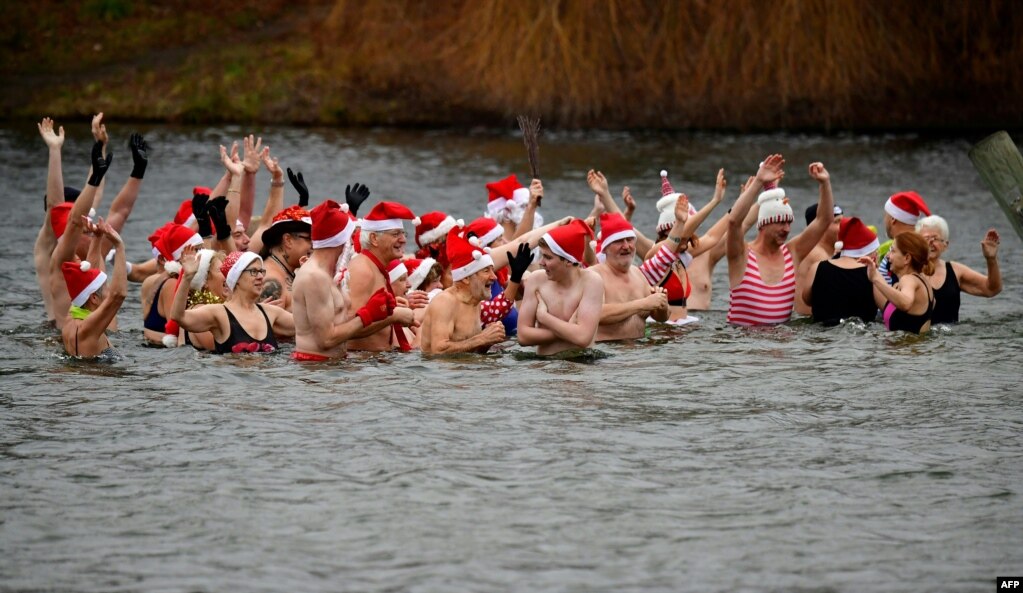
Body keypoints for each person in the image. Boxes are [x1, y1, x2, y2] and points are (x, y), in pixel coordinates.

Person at [291, 200, 414, 361]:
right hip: (316, 371)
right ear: (338, 240)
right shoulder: (314, 277)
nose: (353, 242)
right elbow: (325, 340)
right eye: (350, 237)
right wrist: (371, 315)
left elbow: (342, 322)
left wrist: (380, 312)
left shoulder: (330, 274)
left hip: (332, 368)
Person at [725, 157, 835, 326]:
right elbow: (733, 222)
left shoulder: (792, 253)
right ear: (763, 224)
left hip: (781, 347)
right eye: (781, 222)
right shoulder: (741, 254)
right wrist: (758, 182)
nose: (787, 229)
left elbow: (824, 220)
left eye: (789, 222)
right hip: (742, 346)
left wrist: (825, 183)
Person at [170, 249, 295, 354]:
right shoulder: (219, 313)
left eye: (261, 271)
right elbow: (178, 316)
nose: (261, 277)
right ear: (237, 277)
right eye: (254, 272)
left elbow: (308, 325)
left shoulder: (270, 312)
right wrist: (187, 278)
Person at [517, 219, 604, 355]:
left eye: (548, 257)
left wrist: (545, 318)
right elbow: (522, 336)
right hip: (545, 367)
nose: (541, 262)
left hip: (582, 367)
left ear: (568, 260)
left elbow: (583, 338)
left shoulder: (591, 282)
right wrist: (570, 330)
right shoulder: (536, 280)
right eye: (542, 256)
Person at [347, 201, 421, 352]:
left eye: (403, 233)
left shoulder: (376, 267)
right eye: (395, 234)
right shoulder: (362, 269)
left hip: (376, 364)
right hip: (361, 365)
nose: (403, 239)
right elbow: (349, 328)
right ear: (374, 238)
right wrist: (394, 316)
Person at [420, 227, 508, 354]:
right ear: (466, 278)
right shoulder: (445, 302)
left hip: (466, 371)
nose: (494, 276)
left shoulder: (475, 301)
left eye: (492, 270)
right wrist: (482, 338)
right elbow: (438, 351)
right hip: (436, 372)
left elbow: (471, 350)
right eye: (486, 271)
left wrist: (490, 339)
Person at [591, 212, 669, 340]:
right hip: (608, 351)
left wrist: (662, 306)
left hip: (639, 352)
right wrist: (642, 304)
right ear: (605, 249)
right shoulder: (594, 275)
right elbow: (596, 315)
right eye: (619, 241)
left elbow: (662, 318)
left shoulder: (638, 274)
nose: (626, 246)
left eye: (629, 240)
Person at [916, 215, 1002, 324]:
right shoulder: (909, 269)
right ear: (917, 243)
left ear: (945, 244)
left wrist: (991, 259)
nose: (930, 243)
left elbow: (992, 289)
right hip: (920, 338)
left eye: (935, 238)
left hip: (951, 338)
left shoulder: (955, 271)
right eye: (926, 239)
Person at [60, 219, 127, 358]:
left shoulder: (73, 314)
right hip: (97, 377)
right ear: (94, 298)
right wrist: (119, 246)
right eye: (106, 289)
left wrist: (97, 238)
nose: (109, 292)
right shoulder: (88, 328)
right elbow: (118, 295)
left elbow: (89, 278)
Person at [802, 217, 880, 326]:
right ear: (868, 252)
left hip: (822, 337)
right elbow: (885, 306)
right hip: (861, 336)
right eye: (875, 252)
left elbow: (807, 300)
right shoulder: (872, 274)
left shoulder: (817, 268)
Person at [860, 231, 935, 334]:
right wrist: (874, 273)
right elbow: (886, 306)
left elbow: (905, 303)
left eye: (892, 251)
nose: (887, 256)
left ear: (907, 258)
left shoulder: (909, 280)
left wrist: (876, 279)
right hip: (910, 348)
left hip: (907, 349)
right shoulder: (917, 282)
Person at [140, 223, 202, 345]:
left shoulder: (155, 279)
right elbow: (176, 335)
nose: (201, 254)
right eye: (197, 250)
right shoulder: (172, 284)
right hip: (166, 357)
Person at [794, 202, 844, 315]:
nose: (843, 226)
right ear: (819, 227)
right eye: (837, 222)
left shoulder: (828, 252)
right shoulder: (816, 254)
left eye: (843, 221)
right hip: (808, 325)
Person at [878, 191, 931, 285]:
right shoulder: (917, 245)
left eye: (886, 216)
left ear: (893, 219)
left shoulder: (903, 248)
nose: (884, 220)